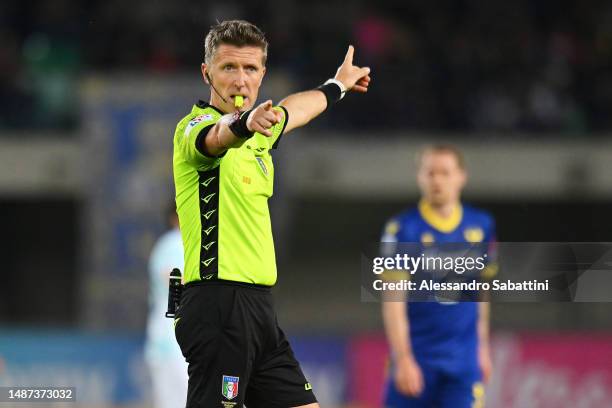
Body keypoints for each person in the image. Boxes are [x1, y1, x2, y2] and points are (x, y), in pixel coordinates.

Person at [172, 20, 371, 408]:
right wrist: (244, 122)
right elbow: (216, 138)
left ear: (262, 73)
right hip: (218, 306)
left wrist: (337, 86)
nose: (240, 80)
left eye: (250, 69)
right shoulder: (193, 129)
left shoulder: (262, 130)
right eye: (229, 67)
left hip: (259, 309)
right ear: (206, 72)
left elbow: (295, 109)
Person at [381, 145, 497, 408]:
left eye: (445, 173)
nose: (437, 180)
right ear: (419, 177)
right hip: (418, 360)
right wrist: (403, 359)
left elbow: (481, 292)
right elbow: (392, 301)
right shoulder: (401, 230)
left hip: (463, 364)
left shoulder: (481, 225)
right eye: (430, 173)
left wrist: (483, 348)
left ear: (461, 177)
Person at [144, 203, 188, 408]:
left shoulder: (170, 244)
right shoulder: (174, 242)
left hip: (166, 338)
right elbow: (172, 278)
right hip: (173, 339)